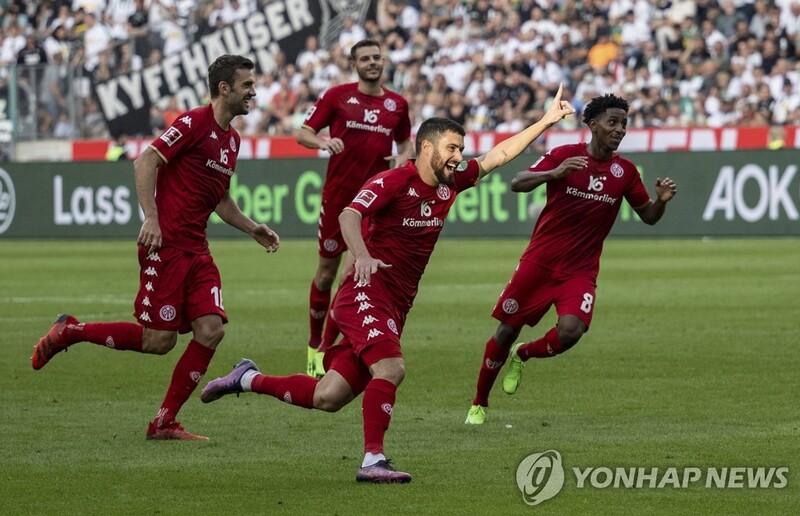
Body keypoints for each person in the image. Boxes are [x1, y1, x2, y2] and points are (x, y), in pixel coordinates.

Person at [200, 85, 576, 483]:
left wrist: (546, 121)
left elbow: (498, 156)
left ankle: (245, 377)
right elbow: (348, 215)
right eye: (451, 148)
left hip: (396, 303)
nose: (458, 157)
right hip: (365, 291)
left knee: (328, 397)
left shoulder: (452, 182)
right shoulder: (394, 181)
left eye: (460, 149)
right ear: (426, 148)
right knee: (392, 368)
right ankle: (373, 461)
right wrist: (360, 255)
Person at [30, 54, 281, 440]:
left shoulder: (231, 140)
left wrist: (252, 228)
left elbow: (220, 199)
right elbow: (145, 161)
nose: (254, 91)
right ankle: (71, 332)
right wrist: (151, 216)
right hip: (166, 247)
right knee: (158, 341)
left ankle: (164, 422)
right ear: (224, 88)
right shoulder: (193, 123)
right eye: (247, 85)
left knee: (211, 330)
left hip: (197, 250)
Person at [465, 93, 678, 425]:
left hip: (579, 271)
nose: (620, 129)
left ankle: (523, 355)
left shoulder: (625, 171)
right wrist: (555, 173)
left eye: (624, 123)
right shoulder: (565, 155)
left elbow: (648, 216)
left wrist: (661, 201)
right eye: (613, 122)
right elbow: (517, 183)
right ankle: (479, 403)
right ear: (593, 125)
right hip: (539, 262)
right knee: (505, 331)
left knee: (570, 331)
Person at [296, 39, 413, 378]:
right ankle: (313, 341)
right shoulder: (337, 96)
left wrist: (404, 156)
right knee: (327, 274)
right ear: (355, 63)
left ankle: (324, 351)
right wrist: (323, 141)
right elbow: (303, 133)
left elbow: (405, 140)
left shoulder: (397, 104)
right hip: (337, 200)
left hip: (374, 204)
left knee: (351, 274)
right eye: (366, 58)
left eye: (377, 57)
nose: (373, 62)